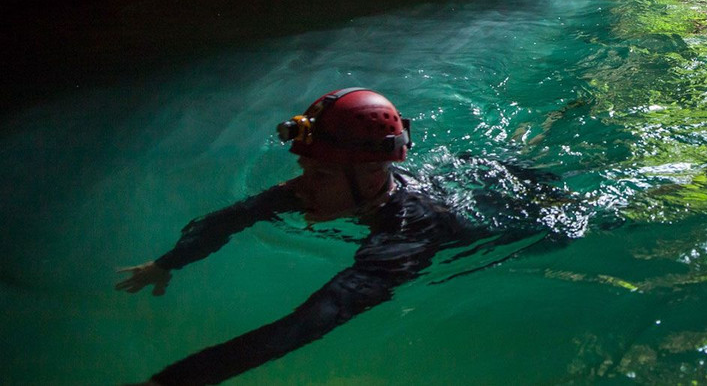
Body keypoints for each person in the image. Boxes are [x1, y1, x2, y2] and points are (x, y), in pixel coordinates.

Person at [115, 88, 482, 385]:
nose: (300, 187)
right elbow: (233, 217)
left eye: (320, 175)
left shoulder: (409, 231)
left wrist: (176, 379)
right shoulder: (337, 187)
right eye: (305, 168)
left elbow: (311, 321)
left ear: (372, 175)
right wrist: (167, 263)